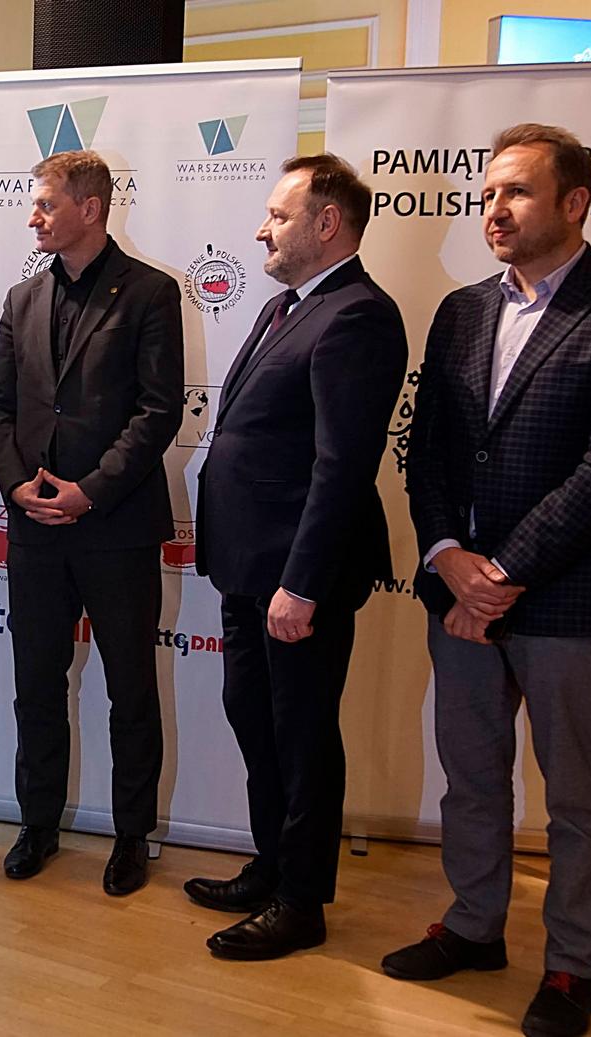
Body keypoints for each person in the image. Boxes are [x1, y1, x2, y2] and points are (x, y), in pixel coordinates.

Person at [385, 123, 591, 1037]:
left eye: (515, 192)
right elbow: (428, 449)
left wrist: (501, 573)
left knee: (577, 798)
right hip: (459, 592)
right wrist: (447, 555)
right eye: (486, 195)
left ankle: (570, 966)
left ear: (574, 202)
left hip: (563, 597)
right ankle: (475, 925)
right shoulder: (461, 310)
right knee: (472, 778)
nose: (494, 211)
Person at [187, 154, 407, 959]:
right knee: (256, 722)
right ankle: (272, 865)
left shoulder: (359, 315)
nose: (262, 230)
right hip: (247, 566)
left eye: (278, 216)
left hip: (296, 577)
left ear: (327, 223)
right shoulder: (285, 305)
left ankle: (302, 901)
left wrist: (303, 585)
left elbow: (340, 466)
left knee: (303, 736)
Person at [0, 149, 184, 896]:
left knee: (130, 689)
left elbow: (158, 411)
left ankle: (132, 835)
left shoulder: (151, 292)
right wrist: (17, 485)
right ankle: (38, 824)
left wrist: (89, 492)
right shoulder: (21, 298)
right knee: (36, 684)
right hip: (34, 524)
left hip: (116, 525)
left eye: (45, 203)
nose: (32, 216)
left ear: (89, 208)